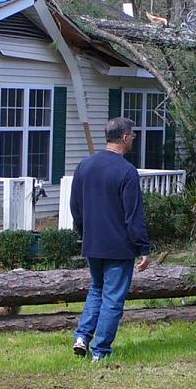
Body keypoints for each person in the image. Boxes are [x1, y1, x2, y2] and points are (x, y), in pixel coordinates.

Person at [71, 116, 152, 362]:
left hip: (93, 243)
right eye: (133, 137)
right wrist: (143, 247)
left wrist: (84, 233)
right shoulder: (126, 171)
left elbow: (76, 207)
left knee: (97, 289)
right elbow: (133, 215)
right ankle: (101, 351)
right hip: (119, 247)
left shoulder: (84, 166)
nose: (133, 141)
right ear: (125, 138)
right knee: (113, 299)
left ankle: (82, 337)